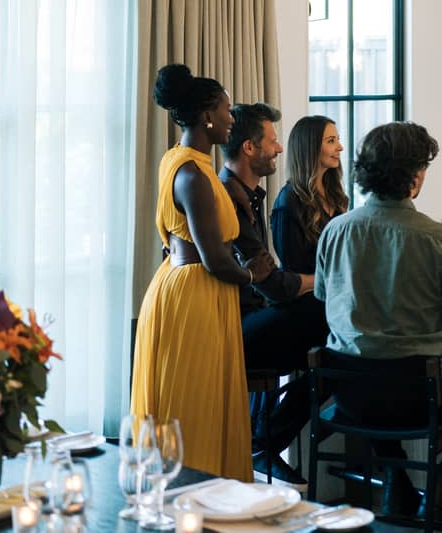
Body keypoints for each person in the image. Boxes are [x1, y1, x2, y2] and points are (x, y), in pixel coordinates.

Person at [314, 122, 442, 522]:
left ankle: (396, 482)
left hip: (350, 395)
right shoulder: (437, 238)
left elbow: (327, 304)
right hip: (421, 397)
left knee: (377, 370)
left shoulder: (335, 232)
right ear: (415, 174)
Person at [131, 64, 276, 482]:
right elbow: (214, 258)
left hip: (188, 285)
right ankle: (193, 494)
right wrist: (254, 276)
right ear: (207, 116)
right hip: (195, 292)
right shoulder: (193, 173)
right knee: (193, 401)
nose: (233, 118)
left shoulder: (181, 161)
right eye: (227, 110)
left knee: (202, 398)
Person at [218, 103, 326, 485]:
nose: (279, 148)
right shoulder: (227, 199)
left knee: (339, 353)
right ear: (250, 148)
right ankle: (264, 444)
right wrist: (327, 279)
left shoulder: (249, 194)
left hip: (253, 315)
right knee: (333, 325)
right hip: (231, 329)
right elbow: (275, 285)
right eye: (273, 140)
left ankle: (264, 442)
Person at [270, 115, 349, 277]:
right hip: (304, 300)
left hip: (333, 297)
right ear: (310, 147)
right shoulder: (288, 202)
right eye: (331, 141)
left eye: (338, 139)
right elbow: (292, 271)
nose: (340, 147)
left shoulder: (335, 194)